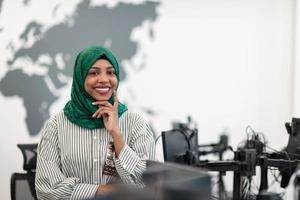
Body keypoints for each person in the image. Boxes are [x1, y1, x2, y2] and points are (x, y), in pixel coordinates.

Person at [35, 46, 156, 200]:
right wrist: (105, 191)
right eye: (93, 73)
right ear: (80, 77)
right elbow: (46, 190)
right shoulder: (57, 125)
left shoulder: (135, 123)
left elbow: (150, 186)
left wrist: (116, 135)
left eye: (111, 72)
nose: (104, 79)